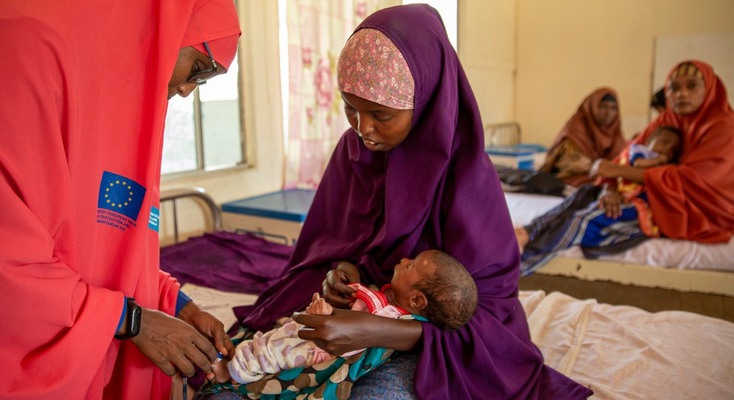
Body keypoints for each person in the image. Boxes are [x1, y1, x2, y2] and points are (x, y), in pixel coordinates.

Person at [213, 4, 593, 399]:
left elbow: (483, 314)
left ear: (426, 100)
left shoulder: (465, 175)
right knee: (247, 372)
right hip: (357, 316)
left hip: (423, 335)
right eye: (350, 108)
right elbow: (328, 246)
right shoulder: (354, 152)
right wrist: (340, 274)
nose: (363, 130)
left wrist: (379, 330)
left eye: (380, 114)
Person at [0, 0, 241, 398]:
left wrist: (176, 303)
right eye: (199, 72)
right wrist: (131, 320)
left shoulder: (109, 89)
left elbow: (103, 243)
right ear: (163, 30)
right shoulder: (12, 54)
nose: (185, 91)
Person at [517, 60, 734, 275]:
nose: (682, 94)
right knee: (586, 193)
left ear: (709, 87)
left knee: (585, 219)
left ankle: (517, 264)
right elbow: (623, 158)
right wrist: (610, 187)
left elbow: (692, 180)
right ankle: (526, 233)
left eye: (692, 85)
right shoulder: (668, 119)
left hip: (688, 210)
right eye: (674, 88)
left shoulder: (722, 127)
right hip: (641, 192)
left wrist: (618, 173)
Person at [210, 250, 478, 385]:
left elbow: (357, 339)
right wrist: (345, 273)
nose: (404, 259)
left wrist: (326, 313)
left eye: (409, 266)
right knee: (276, 336)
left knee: (274, 351)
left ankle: (232, 373)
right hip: (323, 330)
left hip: (321, 349)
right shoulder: (390, 299)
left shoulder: (391, 317)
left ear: (417, 300)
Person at [539, 87, 628, 187]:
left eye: (613, 108)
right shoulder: (577, 127)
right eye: (603, 107)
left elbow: (623, 160)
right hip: (574, 179)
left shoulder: (614, 130)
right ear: (592, 107)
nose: (608, 113)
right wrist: (604, 170)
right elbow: (573, 166)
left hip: (602, 178)